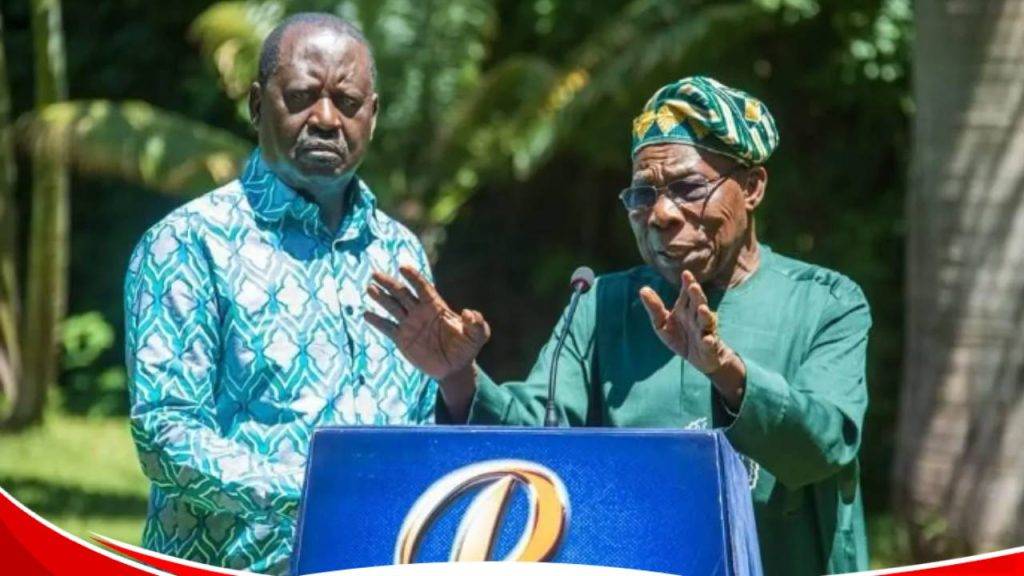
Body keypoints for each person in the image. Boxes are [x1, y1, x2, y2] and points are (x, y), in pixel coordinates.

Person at [366, 76, 871, 575]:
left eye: (688, 187)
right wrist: (458, 376)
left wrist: (727, 372)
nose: (661, 214)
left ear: (753, 186)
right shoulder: (602, 305)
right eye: (642, 195)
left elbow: (826, 445)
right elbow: (537, 445)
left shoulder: (826, 303)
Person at [124, 13, 440, 574]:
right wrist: (318, 493)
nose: (324, 118)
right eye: (300, 96)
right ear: (256, 105)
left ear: (374, 114)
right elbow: (165, 434)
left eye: (346, 102)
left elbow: (417, 426)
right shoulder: (189, 243)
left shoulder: (400, 253)